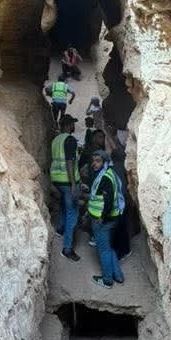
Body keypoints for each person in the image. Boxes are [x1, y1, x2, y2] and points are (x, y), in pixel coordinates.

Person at [88, 148, 124, 287]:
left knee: (103, 250)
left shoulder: (105, 177)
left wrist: (102, 217)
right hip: (112, 218)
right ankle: (118, 275)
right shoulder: (108, 173)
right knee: (108, 248)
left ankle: (107, 280)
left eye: (98, 161)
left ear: (105, 162)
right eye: (93, 161)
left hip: (103, 219)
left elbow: (108, 201)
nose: (94, 164)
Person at [50, 114, 80, 262]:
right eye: (73, 123)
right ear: (69, 125)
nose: (74, 126)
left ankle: (61, 229)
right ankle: (67, 248)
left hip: (57, 180)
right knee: (72, 213)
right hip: (67, 182)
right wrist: (74, 184)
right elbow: (69, 162)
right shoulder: (70, 139)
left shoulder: (56, 140)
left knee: (63, 206)